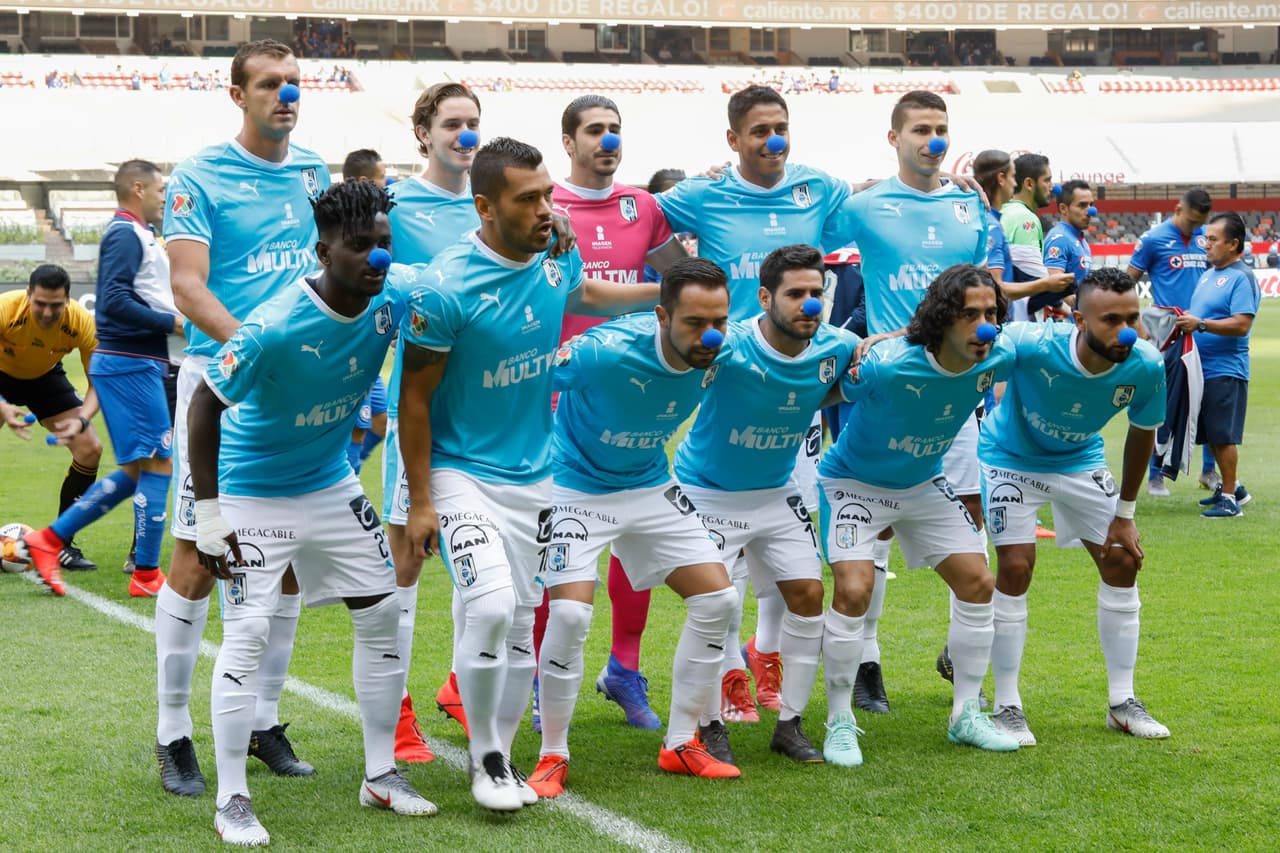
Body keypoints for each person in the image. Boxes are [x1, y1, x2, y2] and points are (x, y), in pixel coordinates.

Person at [396, 137, 661, 811]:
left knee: (518, 622)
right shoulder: (443, 286)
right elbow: (415, 400)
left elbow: (589, 293)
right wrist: (420, 499)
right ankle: (486, 760)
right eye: (529, 199)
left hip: (534, 477)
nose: (548, 208)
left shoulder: (555, 254)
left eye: (548, 194)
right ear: (484, 207)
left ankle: (504, 757)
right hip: (462, 474)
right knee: (487, 606)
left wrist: (669, 295)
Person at [189, 180, 437, 847]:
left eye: (383, 244)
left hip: (329, 482)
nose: (376, 259)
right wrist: (209, 517)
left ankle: (382, 772)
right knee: (248, 630)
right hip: (253, 489)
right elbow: (205, 404)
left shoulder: (395, 291)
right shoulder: (275, 325)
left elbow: (462, 277)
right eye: (361, 247)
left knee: (382, 612)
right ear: (324, 249)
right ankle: (233, 798)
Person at [157, 38, 330, 798]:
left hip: (296, 389)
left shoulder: (315, 173)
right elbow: (188, 287)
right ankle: (172, 731)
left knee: (285, 557)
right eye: (269, 84)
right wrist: (258, 350)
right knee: (199, 555)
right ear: (238, 94)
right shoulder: (198, 176)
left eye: (294, 83)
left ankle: (263, 718)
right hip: (222, 383)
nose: (285, 95)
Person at [657, 85, 853, 718]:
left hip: (795, 386)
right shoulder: (702, 193)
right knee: (729, 544)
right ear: (733, 138)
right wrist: (682, 302)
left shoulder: (819, 189)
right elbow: (643, 226)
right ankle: (731, 674)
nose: (775, 140)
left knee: (791, 537)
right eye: (761, 129)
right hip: (728, 375)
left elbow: (876, 223)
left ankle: (765, 659)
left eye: (782, 127)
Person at [528, 257, 741, 798]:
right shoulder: (603, 350)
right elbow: (521, 384)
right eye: (694, 323)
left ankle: (681, 742)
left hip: (649, 485)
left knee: (720, 601)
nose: (709, 335)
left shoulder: (725, 345)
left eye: (719, 320)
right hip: (573, 486)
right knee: (572, 614)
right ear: (662, 316)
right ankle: (552, 754)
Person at [824, 90, 989, 714]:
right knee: (880, 527)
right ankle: (867, 661)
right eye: (920, 129)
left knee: (970, 521)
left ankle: (957, 651)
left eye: (941, 128)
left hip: (956, 397)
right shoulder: (864, 206)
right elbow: (794, 235)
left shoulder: (969, 206)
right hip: (890, 390)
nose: (933, 139)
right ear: (893, 138)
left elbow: (982, 288)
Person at [818, 263, 1021, 756]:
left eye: (992, 313)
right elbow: (822, 394)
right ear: (942, 319)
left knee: (979, 583)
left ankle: (966, 715)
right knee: (853, 589)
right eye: (970, 315)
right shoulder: (886, 364)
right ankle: (839, 720)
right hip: (852, 484)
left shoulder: (1001, 356)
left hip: (924, 483)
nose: (985, 326)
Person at [673, 244, 861, 768]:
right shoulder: (728, 345)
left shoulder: (839, 346)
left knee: (807, 594)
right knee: (715, 610)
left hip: (778, 493)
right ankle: (708, 726)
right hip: (707, 491)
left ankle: (790, 724)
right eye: (795, 294)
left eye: (817, 294)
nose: (809, 304)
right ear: (763, 297)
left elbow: (830, 386)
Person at [542, 94, 687, 733]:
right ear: (568, 142)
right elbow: (574, 292)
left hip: (637, 397)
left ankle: (623, 668)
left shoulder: (644, 207)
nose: (607, 141)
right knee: (561, 551)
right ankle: (548, 678)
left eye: (615, 131)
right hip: (557, 399)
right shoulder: (544, 205)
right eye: (594, 131)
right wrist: (664, 291)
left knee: (638, 543)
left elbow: (687, 280)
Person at [979, 267, 1170, 746]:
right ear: (1079, 319)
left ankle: (1122, 702)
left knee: (1124, 559)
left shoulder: (1145, 364)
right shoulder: (1030, 341)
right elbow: (967, 364)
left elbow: (1142, 433)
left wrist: (1125, 514)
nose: (1126, 330)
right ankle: (1006, 704)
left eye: (1133, 317)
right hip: (1010, 460)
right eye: (1111, 320)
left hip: (1081, 461)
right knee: (1017, 567)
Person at [22, 161, 184, 600]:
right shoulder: (124, 233)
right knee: (158, 462)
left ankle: (49, 540)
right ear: (137, 188)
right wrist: (173, 323)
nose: (163, 196)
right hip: (130, 361)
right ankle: (147, 574)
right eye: (159, 188)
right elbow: (112, 303)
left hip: (138, 360)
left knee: (137, 471)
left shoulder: (141, 234)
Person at [383, 83, 485, 751]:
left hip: (486, 411)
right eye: (452, 124)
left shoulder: (494, 205)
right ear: (424, 133)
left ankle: (460, 684)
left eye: (474, 123)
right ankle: (394, 706)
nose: (465, 136)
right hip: (417, 403)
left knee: (488, 564)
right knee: (407, 561)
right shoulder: (395, 205)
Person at [1, 265, 103, 590]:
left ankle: (60, 544)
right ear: (28, 295)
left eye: (55, 305)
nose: (47, 312)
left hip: (44, 378)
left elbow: (98, 381)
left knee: (91, 448)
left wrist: (82, 419)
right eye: (40, 303)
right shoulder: (5, 309)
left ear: (68, 299)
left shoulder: (81, 322)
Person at [1126, 188, 1216, 495]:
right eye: (1192, 222)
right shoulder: (1153, 240)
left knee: (1208, 400)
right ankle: (1155, 473)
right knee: (1163, 402)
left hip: (1203, 331)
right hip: (1167, 333)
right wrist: (1136, 321)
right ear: (1177, 209)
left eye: (1200, 223)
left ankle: (1209, 470)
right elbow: (1127, 282)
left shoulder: (1208, 239)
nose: (1195, 229)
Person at [1174, 212, 1260, 518]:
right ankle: (1233, 488)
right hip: (1203, 367)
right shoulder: (1210, 274)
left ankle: (1229, 500)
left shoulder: (1241, 276)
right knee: (1211, 432)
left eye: (1213, 239)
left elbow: (1241, 324)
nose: (1205, 245)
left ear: (1234, 243)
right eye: (1205, 239)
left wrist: (1200, 325)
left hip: (1226, 367)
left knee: (1223, 436)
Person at [973, 149, 1076, 306]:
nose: (1015, 183)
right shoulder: (1023, 219)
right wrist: (1051, 286)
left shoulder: (997, 214)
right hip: (1007, 319)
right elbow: (998, 287)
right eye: (1047, 180)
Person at [1001, 153, 1070, 320]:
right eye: (1047, 180)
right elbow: (1036, 280)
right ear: (1029, 184)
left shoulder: (1003, 211)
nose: (1052, 187)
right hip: (1017, 320)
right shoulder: (1025, 218)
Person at [1041, 179, 1095, 307]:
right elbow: (1054, 288)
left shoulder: (1080, 239)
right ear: (1063, 208)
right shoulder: (1060, 239)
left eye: (1091, 205)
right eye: (1082, 205)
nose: (1090, 212)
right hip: (1067, 324)